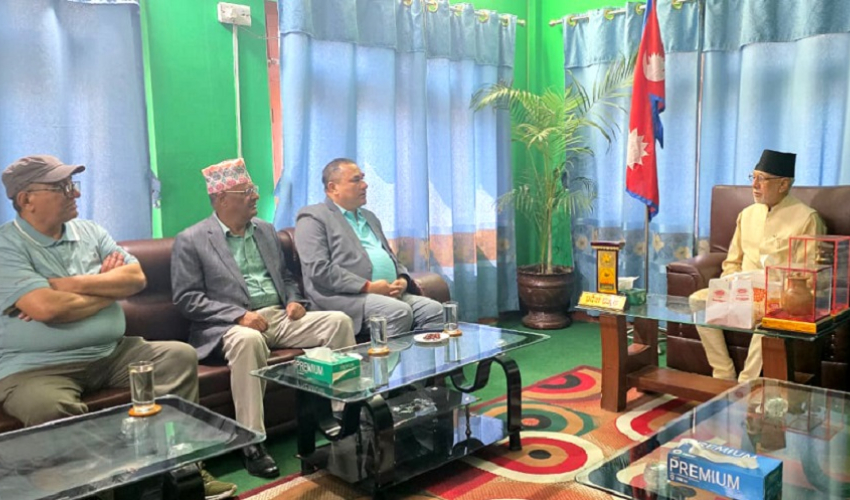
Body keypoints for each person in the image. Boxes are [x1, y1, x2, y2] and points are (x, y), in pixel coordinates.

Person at [0, 155, 236, 500]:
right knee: (48, 406)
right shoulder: (7, 246)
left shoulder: (90, 231)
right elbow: (48, 308)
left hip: (112, 354)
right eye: (61, 187)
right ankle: (99, 491)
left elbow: (135, 278)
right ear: (26, 199)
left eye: (72, 184)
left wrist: (65, 284)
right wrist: (105, 287)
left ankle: (180, 469)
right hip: (36, 368)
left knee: (178, 356)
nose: (75, 194)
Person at [172, 158, 355, 479]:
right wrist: (238, 315)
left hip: (278, 317)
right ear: (222, 198)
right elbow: (188, 299)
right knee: (249, 340)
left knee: (338, 321)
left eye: (253, 189)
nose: (256, 195)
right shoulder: (191, 239)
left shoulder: (266, 231)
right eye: (247, 191)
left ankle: (344, 417)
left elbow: (285, 277)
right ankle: (252, 441)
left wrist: (295, 300)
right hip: (229, 326)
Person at [693, 149, 825, 382]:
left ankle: (746, 381)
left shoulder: (807, 218)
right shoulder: (746, 215)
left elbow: (809, 274)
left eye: (761, 179)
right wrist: (727, 287)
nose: (754, 185)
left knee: (770, 316)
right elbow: (732, 261)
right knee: (698, 300)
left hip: (778, 297)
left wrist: (784, 295)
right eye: (752, 177)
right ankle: (723, 373)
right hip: (742, 290)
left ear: (783, 184)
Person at [295, 158, 443, 338]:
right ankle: (388, 358)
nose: (365, 185)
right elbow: (318, 269)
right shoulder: (313, 217)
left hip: (389, 294)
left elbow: (391, 257)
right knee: (398, 312)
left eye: (363, 179)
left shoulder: (369, 217)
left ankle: (423, 356)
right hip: (344, 299)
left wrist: (402, 279)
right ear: (333, 188)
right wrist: (367, 287)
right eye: (356, 180)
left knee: (433, 310)